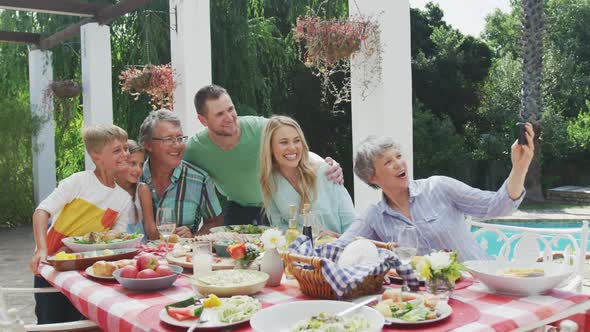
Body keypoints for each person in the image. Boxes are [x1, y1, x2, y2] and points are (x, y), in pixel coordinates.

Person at [339, 123, 535, 262]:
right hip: (432, 300)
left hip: (478, 285)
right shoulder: (374, 216)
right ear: (372, 177)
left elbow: (497, 206)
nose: (398, 163)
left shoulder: (439, 187)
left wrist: (519, 168)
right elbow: (338, 249)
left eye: (398, 156)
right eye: (388, 162)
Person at [184, 84, 343, 226]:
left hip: (278, 206)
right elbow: (174, 171)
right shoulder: (195, 148)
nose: (229, 117)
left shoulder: (262, 128)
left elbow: (293, 148)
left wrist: (324, 164)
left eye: (231, 109)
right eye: (219, 114)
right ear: (203, 120)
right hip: (238, 208)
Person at [29, 124, 134, 324]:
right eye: (117, 150)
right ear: (96, 156)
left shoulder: (123, 199)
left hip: (87, 274)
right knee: (51, 324)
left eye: (126, 148)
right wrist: (41, 249)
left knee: (80, 325)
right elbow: (41, 212)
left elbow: (115, 242)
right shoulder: (78, 182)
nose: (125, 154)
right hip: (53, 267)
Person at [259, 115, 355, 233]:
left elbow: (350, 222)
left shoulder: (326, 171)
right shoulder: (270, 181)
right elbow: (279, 228)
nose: (292, 147)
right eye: (284, 142)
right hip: (297, 249)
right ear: (270, 147)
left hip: (337, 248)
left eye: (297, 140)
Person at [139, 109, 222, 237]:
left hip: (181, 256)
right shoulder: (133, 178)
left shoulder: (200, 180)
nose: (177, 145)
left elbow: (216, 221)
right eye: (168, 139)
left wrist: (194, 238)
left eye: (180, 138)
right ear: (148, 145)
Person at [115, 140, 158, 241]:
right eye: (133, 163)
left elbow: (151, 231)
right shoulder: (108, 190)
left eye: (141, 165)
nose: (138, 169)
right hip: (113, 251)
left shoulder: (142, 190)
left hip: (139, 251)